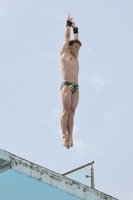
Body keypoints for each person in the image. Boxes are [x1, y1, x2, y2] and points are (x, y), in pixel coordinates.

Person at [60, 13, 82, 149]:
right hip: (67, 84)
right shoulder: (65, 53)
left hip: (76, 86)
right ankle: (64, 136)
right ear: (70, 47)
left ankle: (71, 137)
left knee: (72, 112)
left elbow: (75, 39)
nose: (78, 49)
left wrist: (77, 30)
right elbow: (68, 38)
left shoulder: (75, 55)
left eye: (79, 48)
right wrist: (68, 24)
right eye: (76, 47)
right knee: (66, 110)